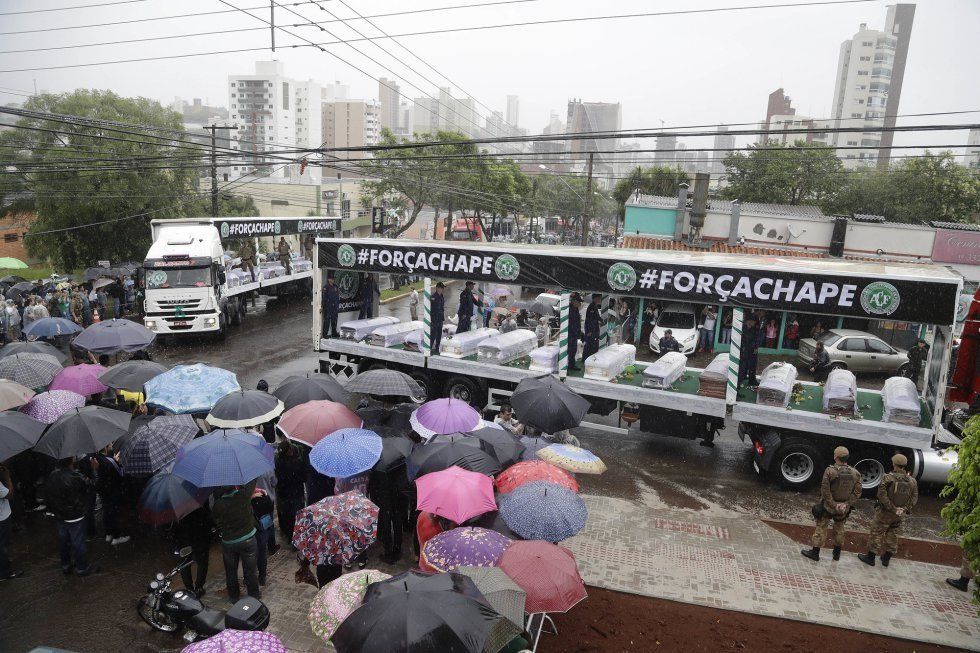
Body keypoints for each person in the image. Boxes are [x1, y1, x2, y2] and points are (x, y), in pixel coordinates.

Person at [801, 446, 862, 562]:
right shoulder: (855, 473)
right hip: (843, 509)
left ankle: (815, 553)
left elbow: (825, 491)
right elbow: (857, 492)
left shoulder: (830, 471)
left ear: (836, 457)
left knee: (821, 527)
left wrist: (833, 504)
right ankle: (837, 554)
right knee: (839, 528)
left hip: (828, 507)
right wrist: (846, 504)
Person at [858, 454, 918, 568]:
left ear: (894, 464)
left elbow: (881, 495)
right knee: (893, 534)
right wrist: (903, 509)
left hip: (885, 513)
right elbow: (914, 498)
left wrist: (892, 508)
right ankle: (886, 558)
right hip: (899, 515)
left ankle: (870, 558)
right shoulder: (912, 481)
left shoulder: (888, 478)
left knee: (876, 532)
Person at [44, 457, 99, 576]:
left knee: (64, 540)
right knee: (78, 541)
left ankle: (66, 565)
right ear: (71, 461)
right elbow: (92, 485)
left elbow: (48, 494)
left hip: (60, 514)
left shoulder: (53, 475)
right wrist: (94, 470)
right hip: (75, 514)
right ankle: (82, 567)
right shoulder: (75, 476)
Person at [211, 480, 261, 602]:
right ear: (235, 486)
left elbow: (215, 521)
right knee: (250, 570)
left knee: (231, 571)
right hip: (248, 540)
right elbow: (252, 481)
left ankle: (233, 597)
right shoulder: (243, 496)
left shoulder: (218, 504)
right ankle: (254, 596)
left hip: (229, 543)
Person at [274, 438, 306, 547]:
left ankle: (290, 538)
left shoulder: (277, 462)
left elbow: (276, 480)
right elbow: (304, 478)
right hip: (295, 494)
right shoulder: (297, 461)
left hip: (284, 495)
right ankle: (297, 538)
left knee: (288, 517)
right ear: (289, 450)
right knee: (297, 516)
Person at [175, 505, 212, 597]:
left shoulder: (174, 511)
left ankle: (189, 589)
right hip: (199, 539)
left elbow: (170, 530)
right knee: (202, 563)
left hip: (183, 541)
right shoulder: (197, 506)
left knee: (184, 565)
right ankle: (198, 587)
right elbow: (208, 522)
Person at [95, 446, 130, 545]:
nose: (111, 446)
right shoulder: (109, 461)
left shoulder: (97, 458)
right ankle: (116, 537)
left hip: (104, 491)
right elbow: (120, 476)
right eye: (110, 444)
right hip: (112, 491)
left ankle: (108, 534)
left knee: (107, 511)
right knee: (114, 513)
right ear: (106, 447)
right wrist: (118, 463)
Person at [0, 462, 23, 581]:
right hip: (2, 518)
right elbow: (9, 494)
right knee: (3, 545)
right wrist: (7, 477)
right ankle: (6, 572)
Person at [250, 486, 276, 586]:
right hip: (264, 527)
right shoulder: (263, 494)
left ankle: (252, 577)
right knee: (262, 552)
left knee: (252, 554)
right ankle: (262, 576)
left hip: (254, 530)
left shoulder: (250, 500)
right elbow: (270, 509)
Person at [738, 316, 762, 387]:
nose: (755, 324)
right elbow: (743, 339)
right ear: (749, 321)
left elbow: (755, 338)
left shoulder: (752, 328)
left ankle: (751, 380)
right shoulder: (742, 327)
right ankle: (739, 383)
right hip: (744, 350)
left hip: (751, 349)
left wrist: (755, 346)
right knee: (742, 367)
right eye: (754, 322)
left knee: (752, 365)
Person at [583, 293, 603, 362]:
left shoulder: (595, 306)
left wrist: (601, 320)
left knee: (593, 345)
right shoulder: (591, 307)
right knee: (589, 346)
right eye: (600, 298)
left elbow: (596, 317)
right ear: (596, 298)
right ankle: (585, 359)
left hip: (594, 329)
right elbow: (590, 320)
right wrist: (589, 331)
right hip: (591, 330)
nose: (600, 300)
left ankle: (590, 359)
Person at [568, 293, 583, 371]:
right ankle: (566, 366)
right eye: (579, 302)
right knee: (569, 350)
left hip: (574, 333)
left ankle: (571, 365)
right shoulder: (568, 309)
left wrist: (579, 332)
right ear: (574, 301)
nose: (580, 304)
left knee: (573, 350)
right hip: (569, 333)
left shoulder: (575, 309)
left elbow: (577, 322)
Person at [431, 282, 446, 352]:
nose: (442, 289)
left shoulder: (441, 296)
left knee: (439, 334)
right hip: (435, 319)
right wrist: (432, 319)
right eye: (441, 288)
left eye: (443, 288)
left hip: (440, 318)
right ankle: (429, 347)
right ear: (437, 288)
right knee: (433, 334)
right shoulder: (433, 297)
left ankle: (437, 347)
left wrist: (442, 318)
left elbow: (442, 308)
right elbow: (432, 309)